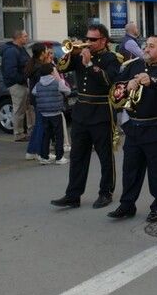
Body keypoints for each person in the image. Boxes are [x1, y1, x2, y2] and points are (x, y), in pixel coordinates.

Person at [50, 24, 122, 209]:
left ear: (103, 40)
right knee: (77, 156)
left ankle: (106, 192)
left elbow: (108, 81)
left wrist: (90, 64)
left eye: (93, 39)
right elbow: (61, 68)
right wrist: (70, 53)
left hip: (101, 113)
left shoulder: (111, 58)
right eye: (87, 38)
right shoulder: (80, 54)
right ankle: (73, 195)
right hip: (81, 112)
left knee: (105, 156)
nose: (88, 42)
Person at [108, 35, 157, 221]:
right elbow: (116, 84)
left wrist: (151, 81)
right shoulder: (134, 65)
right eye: (146, 45)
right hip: (133, 127)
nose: (146, 49)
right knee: (130, 169)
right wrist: (126, 85)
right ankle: (127, 204)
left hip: (156, 128)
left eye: (152, 46)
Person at [32, 63, 70, 166]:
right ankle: (59, 157)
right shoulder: (57, 82)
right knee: (59, 135)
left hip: (44, 113)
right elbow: (68, 91)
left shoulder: (38, 84)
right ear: (52, 72)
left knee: (46, 135)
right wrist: (61, 81)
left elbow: (34, 92)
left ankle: (45, 157)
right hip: (56, 112)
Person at [2, 29, 32, 142]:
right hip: (17, 84)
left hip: (24, 83)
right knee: (19, 109)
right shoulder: (11, 51)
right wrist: (21, 79)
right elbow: (10, 71)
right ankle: (18, 134)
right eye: (25, 36)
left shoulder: (21, 49)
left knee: (29, 108)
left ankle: (31, 131)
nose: (27, 38)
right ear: (18, 38)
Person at [23, 43, 51, 161]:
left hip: (36, 98)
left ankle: (31, 151)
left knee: (38, 125)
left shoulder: (33, 64)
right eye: (46, 50)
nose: (48, 52)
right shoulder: (40, 67)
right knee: (41, 126)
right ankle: (40, 152)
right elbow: (44, 82)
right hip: (41, 99)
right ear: (42, 53)